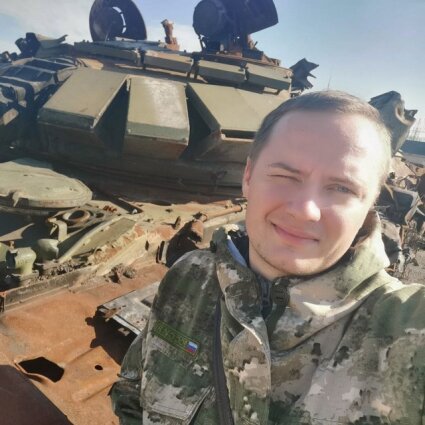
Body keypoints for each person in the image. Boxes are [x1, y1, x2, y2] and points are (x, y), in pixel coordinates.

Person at [110, 91, 425, 425]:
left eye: (342, 188)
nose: (305, 210)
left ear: (370, 203)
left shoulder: (408, 329)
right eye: (286, 176)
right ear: (248, 177)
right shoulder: (189, 278)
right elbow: (132, 395)